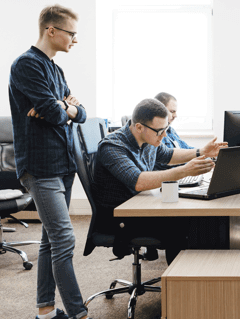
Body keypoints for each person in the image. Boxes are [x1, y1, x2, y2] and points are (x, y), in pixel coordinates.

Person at [8, 4, 116, 319]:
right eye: (71, 33)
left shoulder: (54, 68)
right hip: (40, 166)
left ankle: (44, 314)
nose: (75, 39)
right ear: (51, 31)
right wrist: (61, 107)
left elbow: (77, 113)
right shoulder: (26, 64)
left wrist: (64, 108)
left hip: (61, 163)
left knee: (49, 241)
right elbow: (57, 111)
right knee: (64, 239)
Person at [91, 98, 226, 264]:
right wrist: (184, 171)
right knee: (185, 223)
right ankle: (180, 284)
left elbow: (168, 155)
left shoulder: (148, 139)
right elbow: (138, 181)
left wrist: (201, 151)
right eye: (160, 131)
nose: (164, 135)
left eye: (166, 129)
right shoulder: (112, 147)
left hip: (141, 206)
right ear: (139, 127)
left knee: (199, 217)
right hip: (121, 218)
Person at [153, 92, 192, 171]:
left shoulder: (170, 130)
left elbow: (186, 148)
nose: (175, 116)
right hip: (167, 179)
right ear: (159, 111)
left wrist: (207, 154)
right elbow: (165, 163)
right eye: (172, 111)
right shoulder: (153, 135)